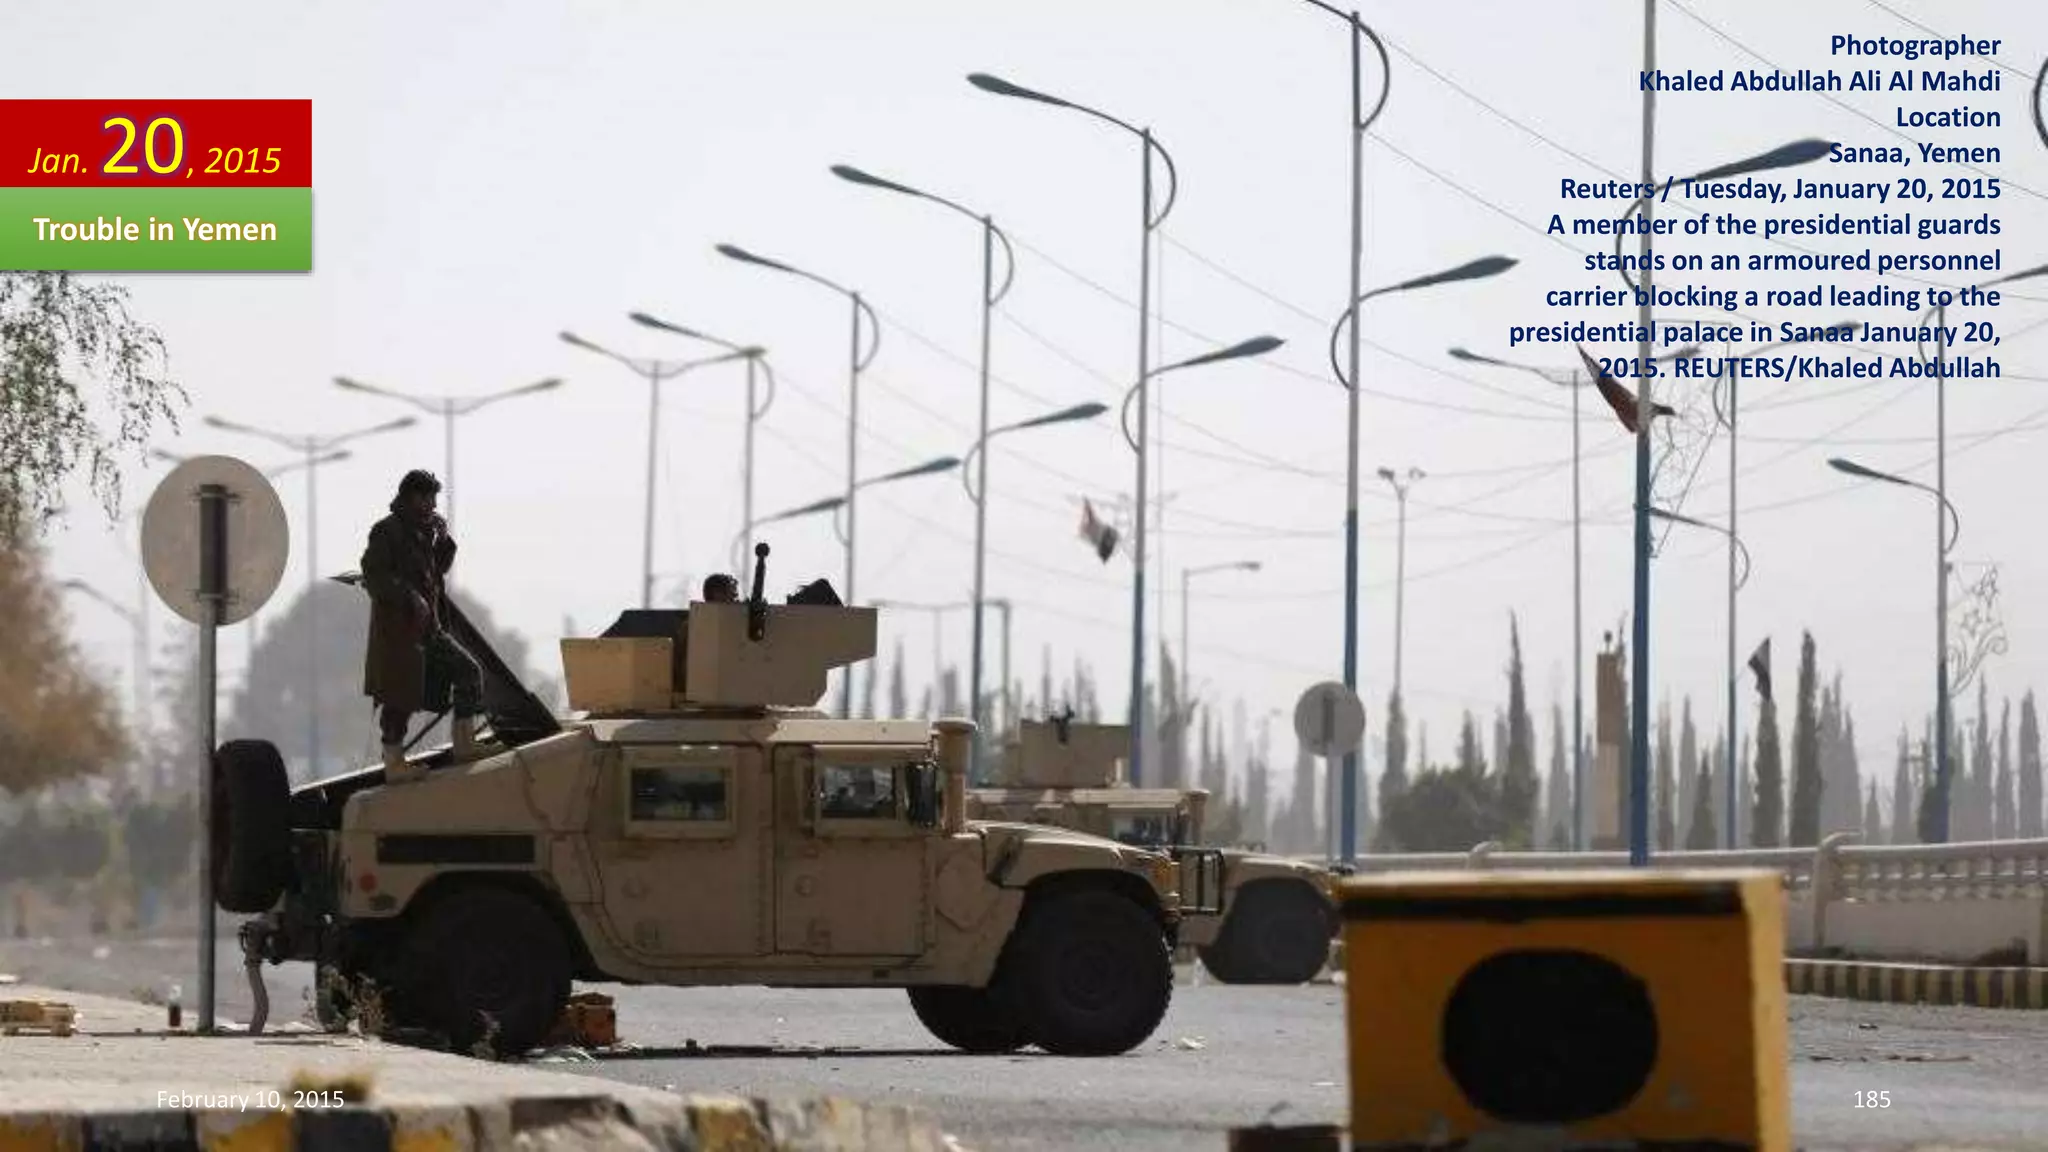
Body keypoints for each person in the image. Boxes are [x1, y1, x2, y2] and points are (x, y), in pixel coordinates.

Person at [361, 470, 484, 783]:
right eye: (425, 497)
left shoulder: (424, 532)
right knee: (398, 698)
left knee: (468, 672)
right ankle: (394, 762)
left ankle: (464, 745)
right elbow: (374, 576)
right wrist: (408, 595)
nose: (431, 505)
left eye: (433, 498)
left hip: (429, 629)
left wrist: (442, 541)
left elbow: (437, 572)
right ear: (409, 497)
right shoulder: (387, 532)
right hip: (399, 635)